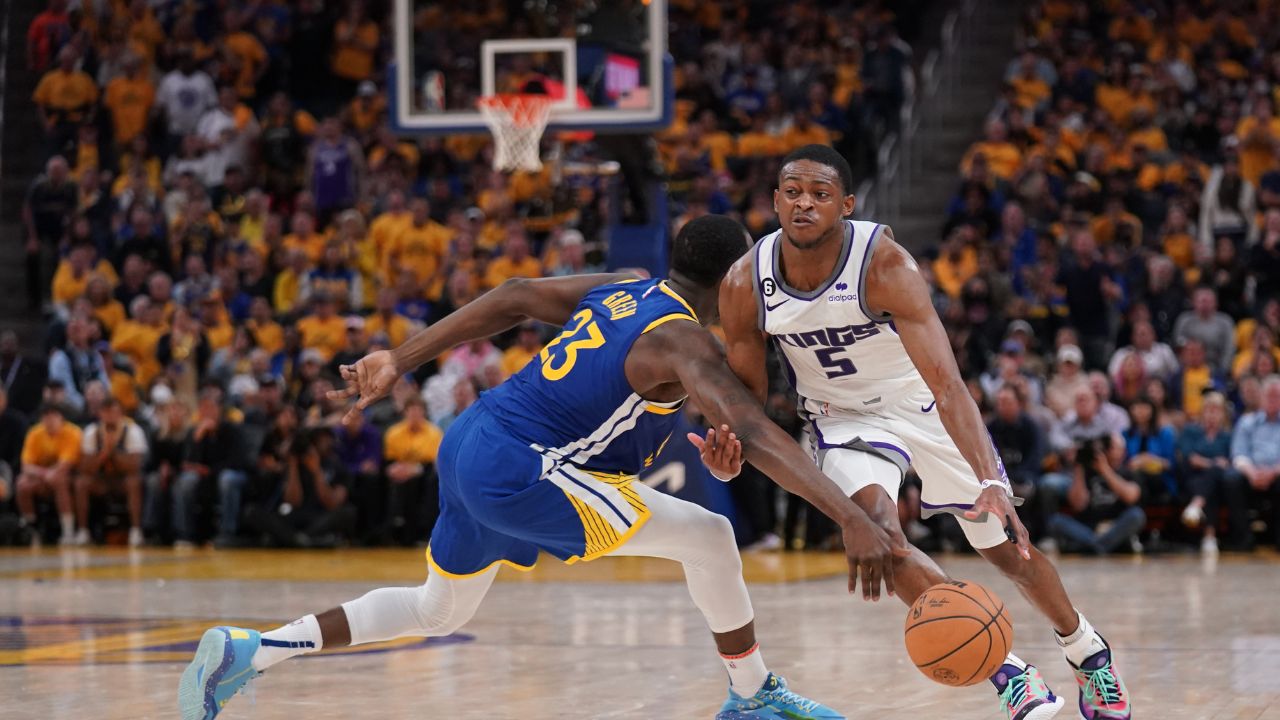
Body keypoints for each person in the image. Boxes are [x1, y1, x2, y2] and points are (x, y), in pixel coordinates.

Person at [181, 215, 909, 720]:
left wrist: (398, 359)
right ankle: (751, 693)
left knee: (440, 610)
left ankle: (253, 651)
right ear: (730, 283)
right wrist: (850, 517)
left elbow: (514, 297)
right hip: (524, 468)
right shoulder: (687, 347)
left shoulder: (626, 284)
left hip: (470, 438)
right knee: (709, 538)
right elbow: (753, 426)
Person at [718, 146, 1130, 719]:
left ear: (846, 205)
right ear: (775, 200)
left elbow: (950, 385)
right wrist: (730, 453)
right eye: (792, 193)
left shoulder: (885, 265)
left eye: (819, 194)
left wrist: (991, 479)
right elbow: (747, 409)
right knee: (882, 537)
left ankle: (1088, 652)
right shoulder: (745, 282)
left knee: (1006, 549)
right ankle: (1010, 673)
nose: (804, 204)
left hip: (922, 405)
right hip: (842, 420)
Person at [75, 398, 148, 546]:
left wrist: (113, 452)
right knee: (81, 483)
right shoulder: (92, 432)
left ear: (121, 413)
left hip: (123, 480)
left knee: (134, 482)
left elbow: (134, 466)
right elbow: (85, 467)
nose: (109, 416)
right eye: (106, 412)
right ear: (100, 414)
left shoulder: (133, 431)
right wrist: (103, 454)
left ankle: (136, 530)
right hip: (101, 479)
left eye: (113, 412)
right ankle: (82, 531)